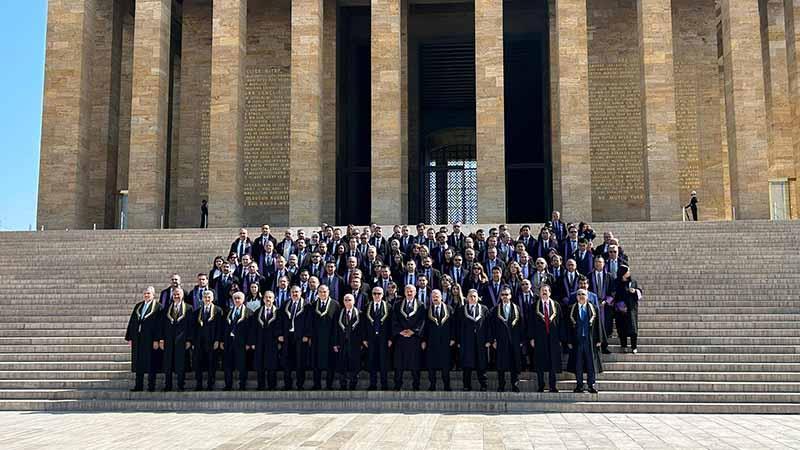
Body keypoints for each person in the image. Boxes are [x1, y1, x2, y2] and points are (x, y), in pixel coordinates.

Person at [125, 287, 162, 392]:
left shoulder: (158, 307)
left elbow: (159, 325)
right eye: (145, 293)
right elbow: (132, 322)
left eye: (148, 293)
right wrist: (130, 337)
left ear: (153, 295)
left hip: (150, 339)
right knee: (138, 362)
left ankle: (151, 386)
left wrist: (157, 339)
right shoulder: (139, 306)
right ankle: (138, 385)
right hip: (138, 338)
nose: (146, 295)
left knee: (151, 362)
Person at [528, 284, 563, 393]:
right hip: (539, 338)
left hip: (553, 338)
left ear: (550, 293)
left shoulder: (556, 305)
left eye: (546, 291)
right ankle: (541, 385)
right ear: (539, 293)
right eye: (542, 291)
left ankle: (553, 386)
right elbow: (530, 323)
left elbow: (561, 322)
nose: (544, 292)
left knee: (553, 361)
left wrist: (561, 338)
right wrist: (531, 338)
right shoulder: (534, 306)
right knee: (540, 362)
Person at [567, 289, 601, 393]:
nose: (581, 296)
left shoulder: (593, 308)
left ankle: (591, 385)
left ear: (587, 296)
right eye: (579, 294)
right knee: (578, 364)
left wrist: (599, 339)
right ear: (576, 297)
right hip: (577, 341)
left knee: (591, 363)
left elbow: (598, 325)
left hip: (589, 340)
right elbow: (568, 326)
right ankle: (579, 385)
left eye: (583, 294)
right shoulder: (571, 309)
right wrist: (569, 341)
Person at [392, 285, 425, 391]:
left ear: (415, 292)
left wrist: (413, 331)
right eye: (407, 291)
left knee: (415, 363)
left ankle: (416, 385)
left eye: (411, 291)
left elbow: (422, 321)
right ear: (404, 292)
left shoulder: (421, 305)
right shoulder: (397, 304)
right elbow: (394, 319)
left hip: (414, 338)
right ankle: (397, 384)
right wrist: (400, 331)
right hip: (401, 338)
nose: (409, 293)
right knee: (399, 363)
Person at [490, 287, 524, 392]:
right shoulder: (495, 309)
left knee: (514, 363)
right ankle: (501, 385)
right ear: (500, 296)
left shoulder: (516, 308)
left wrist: (521, 340)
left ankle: (515, 384)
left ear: (510, 296)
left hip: (514, 340)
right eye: (503, 295)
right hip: (501, 340)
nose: (505, 297)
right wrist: (493, 340)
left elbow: (521, 325)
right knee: (501, 364)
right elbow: (492, 326)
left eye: (507, 294)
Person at [458, 289, 490, 391]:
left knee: (481, 363)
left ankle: (483, 385)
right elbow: (457, 326)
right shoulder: (461, 310)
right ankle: (466, 385)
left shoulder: (484, 309)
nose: (472, 298)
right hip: (467, 341)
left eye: (474, 296)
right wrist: (458, 340)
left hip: (481, 341)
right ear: (467, 298)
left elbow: (488, 326)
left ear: (478, 298)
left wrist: (488, 340)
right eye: (470, 296)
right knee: (467, 364)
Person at [250, 290, 282, 391]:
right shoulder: (257, 312)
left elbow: (280, 327)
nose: (268, 299)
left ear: (274, 299)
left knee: (272, 364)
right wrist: (253, 342)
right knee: (260, 364)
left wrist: (279, 340)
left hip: (272, 342)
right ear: (263, 299)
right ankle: (261, 385)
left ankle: (272, 386)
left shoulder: (278, 312)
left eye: (270, 297)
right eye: (266, 297)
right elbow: (253, 328)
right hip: (260, 342)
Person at [423, 290, 454, 391]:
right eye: (433, 297)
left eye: (437, 296)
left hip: (445, 341)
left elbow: (454, 325)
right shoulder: (427, 310)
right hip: (432, 342)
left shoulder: (449, 309)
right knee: (431, 364)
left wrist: (453, 338)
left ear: (441, 297)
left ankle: (447, 385)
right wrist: (424, 340)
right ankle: (432, 385)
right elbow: (424, 327)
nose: (435, 298)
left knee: (445, 364)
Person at [192, 290, 223, 391]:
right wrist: (193, 341)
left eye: (209, 297)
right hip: (199, 342)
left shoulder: (218, 310)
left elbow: (219, 327)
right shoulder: (197, 311)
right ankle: (199, 384)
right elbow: (194, 328)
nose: (207, 299)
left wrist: (217, 340)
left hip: (212, 341)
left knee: (211, 363)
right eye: (205, 297)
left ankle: (210, 383)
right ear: (202, 298)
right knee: (198, 363)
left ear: (213, 298)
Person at [162, 289, 192, 392]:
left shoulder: (188, 308)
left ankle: (180, 385)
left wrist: (189, 340)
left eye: (178, 294)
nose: (176, 296)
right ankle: (168, 385)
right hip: (169, 340)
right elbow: (162, 325)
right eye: (174, 294)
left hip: (182, 340)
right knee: (168, 363)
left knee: (180, 363)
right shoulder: (167, 308)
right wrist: (161, 339)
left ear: (182, 295)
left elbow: (190, 326)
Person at [282, 286, 311, 390]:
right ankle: (287, 384)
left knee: (300, 361)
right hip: (288, 336)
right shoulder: (286, 304)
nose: (294, 294)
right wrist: (280, 334)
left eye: (297, 292)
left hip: (300, 337)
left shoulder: (307, 305)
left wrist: (307, 335)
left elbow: (309, 321)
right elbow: (280, 319)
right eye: (293, 292)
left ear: (301, 292)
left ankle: (300, 384)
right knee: (287, 361)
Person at [311, 285, 339, 390]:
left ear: (328, 292)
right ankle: (316, 384)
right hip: (317, 339)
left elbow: (337, 325)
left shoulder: (335, 305)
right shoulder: (313, 305)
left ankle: (329, 385)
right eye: (320, 291)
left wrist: (336, 341)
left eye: (324, 291)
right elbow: (311, 323)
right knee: (316, 362)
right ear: (317, 293)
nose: (323, 293)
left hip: (330, 339)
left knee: (330, 363)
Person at [364, 286, 392, 390]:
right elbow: (363, 324)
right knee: (372, 361)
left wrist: (390, 338)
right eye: (374, 293)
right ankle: (373, 384)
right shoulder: (367, 306)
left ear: (383, 295)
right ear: (371, 295)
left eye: (379, 293)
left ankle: (384, 384)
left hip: (384, 339)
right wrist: (364, 338)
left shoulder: (388, 306)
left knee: (383, 362)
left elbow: (391, 323)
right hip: (371, 339)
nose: (377, 295)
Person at [333, 294, 363, 390]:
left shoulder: (359, 313)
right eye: (345, 300)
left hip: (355, 344)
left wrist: (361, 342)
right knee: (342, 364)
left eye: (349, 300)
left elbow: (362, 330)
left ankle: (353, 384)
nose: (347, 302)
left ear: (354, 301)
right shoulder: (339, 313)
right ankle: (343, 384)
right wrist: (335, 343)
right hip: (342, 343)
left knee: (354, 364)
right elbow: (335, 329)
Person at [222, 292, 251, 391]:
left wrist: (249, 343)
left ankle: (242, 384)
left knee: (242, 364)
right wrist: (223, 341)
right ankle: (228, 384)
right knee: (228, 364)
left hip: (242, 343)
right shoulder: (229, 311)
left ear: (243, 300)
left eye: (239, 298)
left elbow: (250, 329)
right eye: (235, 298)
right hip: (229, 342)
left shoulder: (248, 312)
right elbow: (225, 327)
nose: (237, 300)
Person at [614, 265, 642, 354]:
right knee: (622, 328)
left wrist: (635, 291)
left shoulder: (633, 281)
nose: (629, 273)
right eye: (627, 271)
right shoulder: (616, 282)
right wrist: (620, 305)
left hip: (631, 309)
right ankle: (624, 346)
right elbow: (613, 294)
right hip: (620, 310)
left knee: (633, 329)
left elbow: (639, 292)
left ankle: (634, 346)